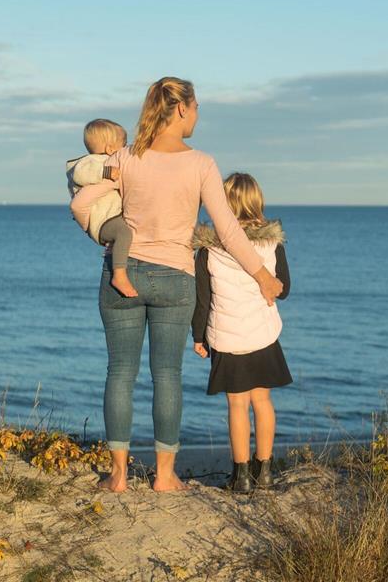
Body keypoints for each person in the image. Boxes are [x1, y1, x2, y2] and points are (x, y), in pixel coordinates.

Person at [70, 77, 283, 493]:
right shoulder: (201, 163)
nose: (198, 114)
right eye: (197, 106)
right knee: (166, 375)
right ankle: (165, 477)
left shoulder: (126, 156)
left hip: (123, 272)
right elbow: (228, 230)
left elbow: (80, 203)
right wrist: (261, 275)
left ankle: (118, 476)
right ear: (182, 109)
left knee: (120, 373)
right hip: (174, 278)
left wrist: (102, 236)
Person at [191, 173, 292, 493]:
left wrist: (197, 336)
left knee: (237, 406)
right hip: (262, 334)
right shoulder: (271, 243)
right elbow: (284, 289)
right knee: (262, 401)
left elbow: (202, 299)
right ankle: (265, 471)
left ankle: (241, 476)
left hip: (227, 335)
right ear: (257, 202)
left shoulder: (209, 249)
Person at [66, 119, 138, 297]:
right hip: (103, 220)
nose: (125, 147)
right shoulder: (90, 162)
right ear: (110, 148)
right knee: (124, 233)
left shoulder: (105, 160)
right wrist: (105, 172)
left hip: (111, 215)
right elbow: (81, 174)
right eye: (123, 143)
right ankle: (119, 275)